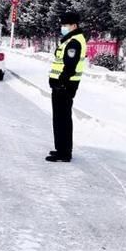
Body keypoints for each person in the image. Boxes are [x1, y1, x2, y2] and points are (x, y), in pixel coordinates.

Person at [46, 12, 87, 162]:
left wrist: (61, 82)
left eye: (65, 25)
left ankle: (64, 152)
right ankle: (61, 149)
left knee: (62, 119)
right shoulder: (70, 39)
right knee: (60, 118)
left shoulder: (74, 42)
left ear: (73, 25)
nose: (63, 27)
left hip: (65, 86)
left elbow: (70, 66)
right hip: (62, 86)